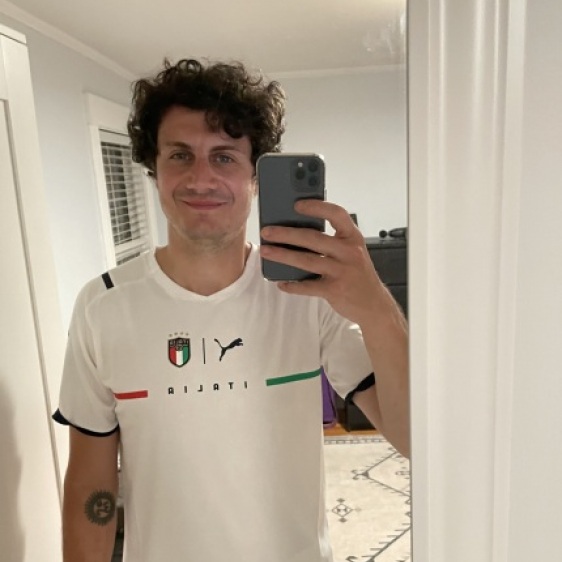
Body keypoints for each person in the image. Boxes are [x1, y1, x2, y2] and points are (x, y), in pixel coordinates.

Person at [53, 58, 409, 562]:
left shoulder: (311, 294)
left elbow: (416, 438)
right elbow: (92, 485)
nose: (201, 178)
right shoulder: (102, 306)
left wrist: (377, 309)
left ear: (256, 177)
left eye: (224, 157)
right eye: (180, 155)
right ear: (154, 170)